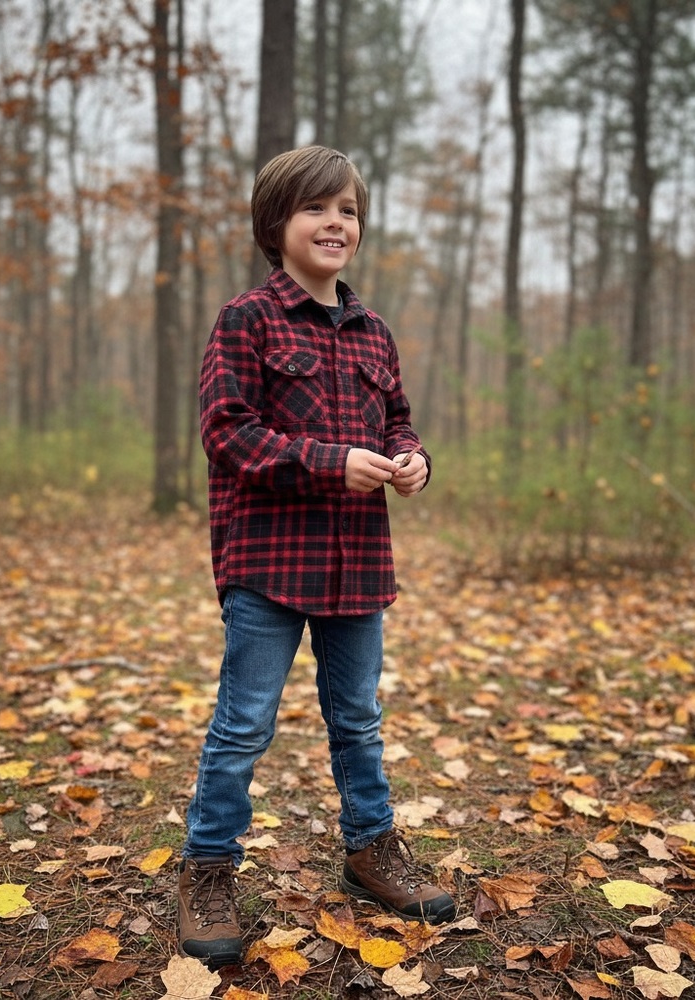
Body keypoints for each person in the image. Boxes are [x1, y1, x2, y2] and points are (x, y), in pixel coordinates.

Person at [178, 145, 457, 968]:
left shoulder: (375, 332)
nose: (337, 223)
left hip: (358, 564)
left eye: (348, 210)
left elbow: (398, 419)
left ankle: (372, 850)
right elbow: (227, 433)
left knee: (359, 719)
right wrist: (328, 460)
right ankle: (209, 869)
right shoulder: (247, 320)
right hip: (267, 560)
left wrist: (414, 460)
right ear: (277, 225)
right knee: (244, 724)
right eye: (316, 209)